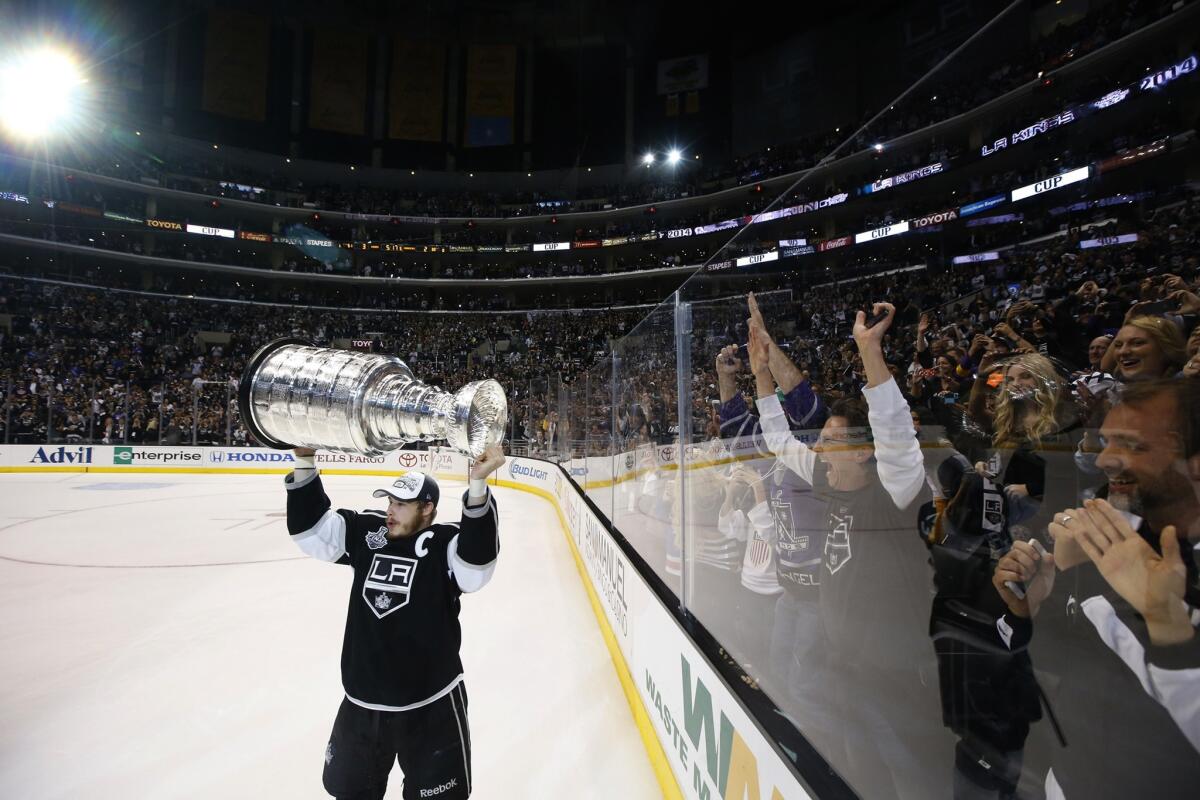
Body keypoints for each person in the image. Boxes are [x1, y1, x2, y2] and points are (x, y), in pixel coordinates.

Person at [992, 379, 1200, 798]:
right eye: (1106, 442)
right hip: (1069, 781)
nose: (1104, 460)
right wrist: (1028, 610)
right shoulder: (1113, 538)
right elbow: (1062, 671)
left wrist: (1167, 624)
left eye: (1133, 445)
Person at [285, 443, 506, 800]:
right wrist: (304, 460)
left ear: (427, 508)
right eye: (389, 501)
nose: (390, 511)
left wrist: (478, 487)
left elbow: (475, 573)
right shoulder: (368, 533)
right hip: (362, 704)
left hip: (431, 705)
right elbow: (312, 533)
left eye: (401, 504)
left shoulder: (444, 543)